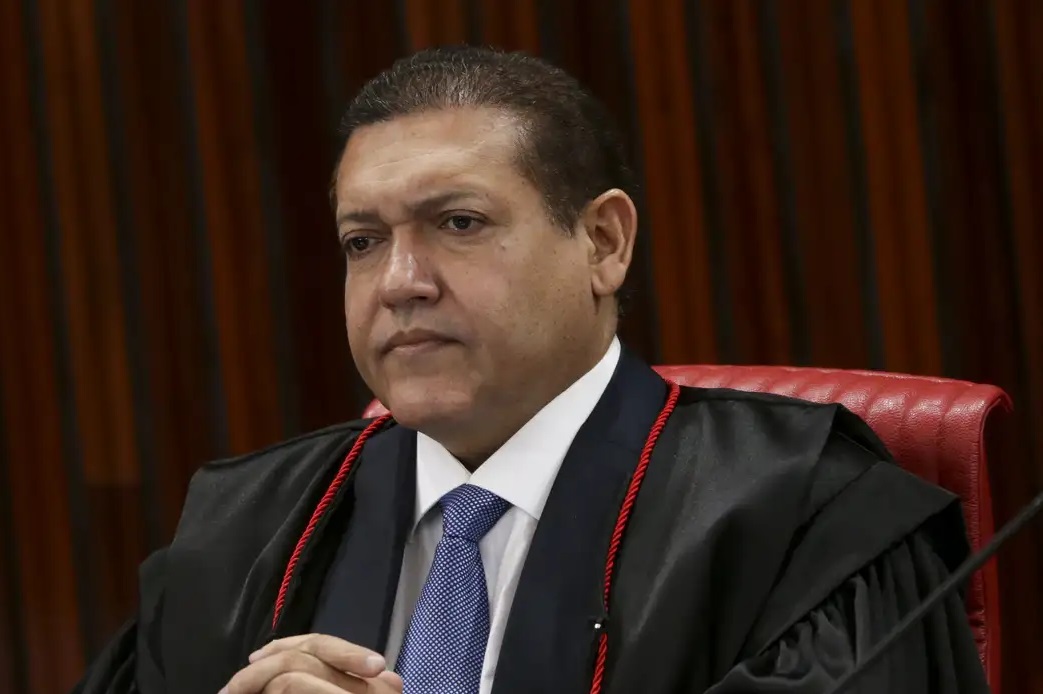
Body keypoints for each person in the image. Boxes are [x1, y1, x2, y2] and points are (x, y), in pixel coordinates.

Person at [74, 46, 988, 694]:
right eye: (362, 241)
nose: (399, 281)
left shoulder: (806, 515)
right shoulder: (238, 535)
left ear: (602, 242)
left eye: (458, 223)